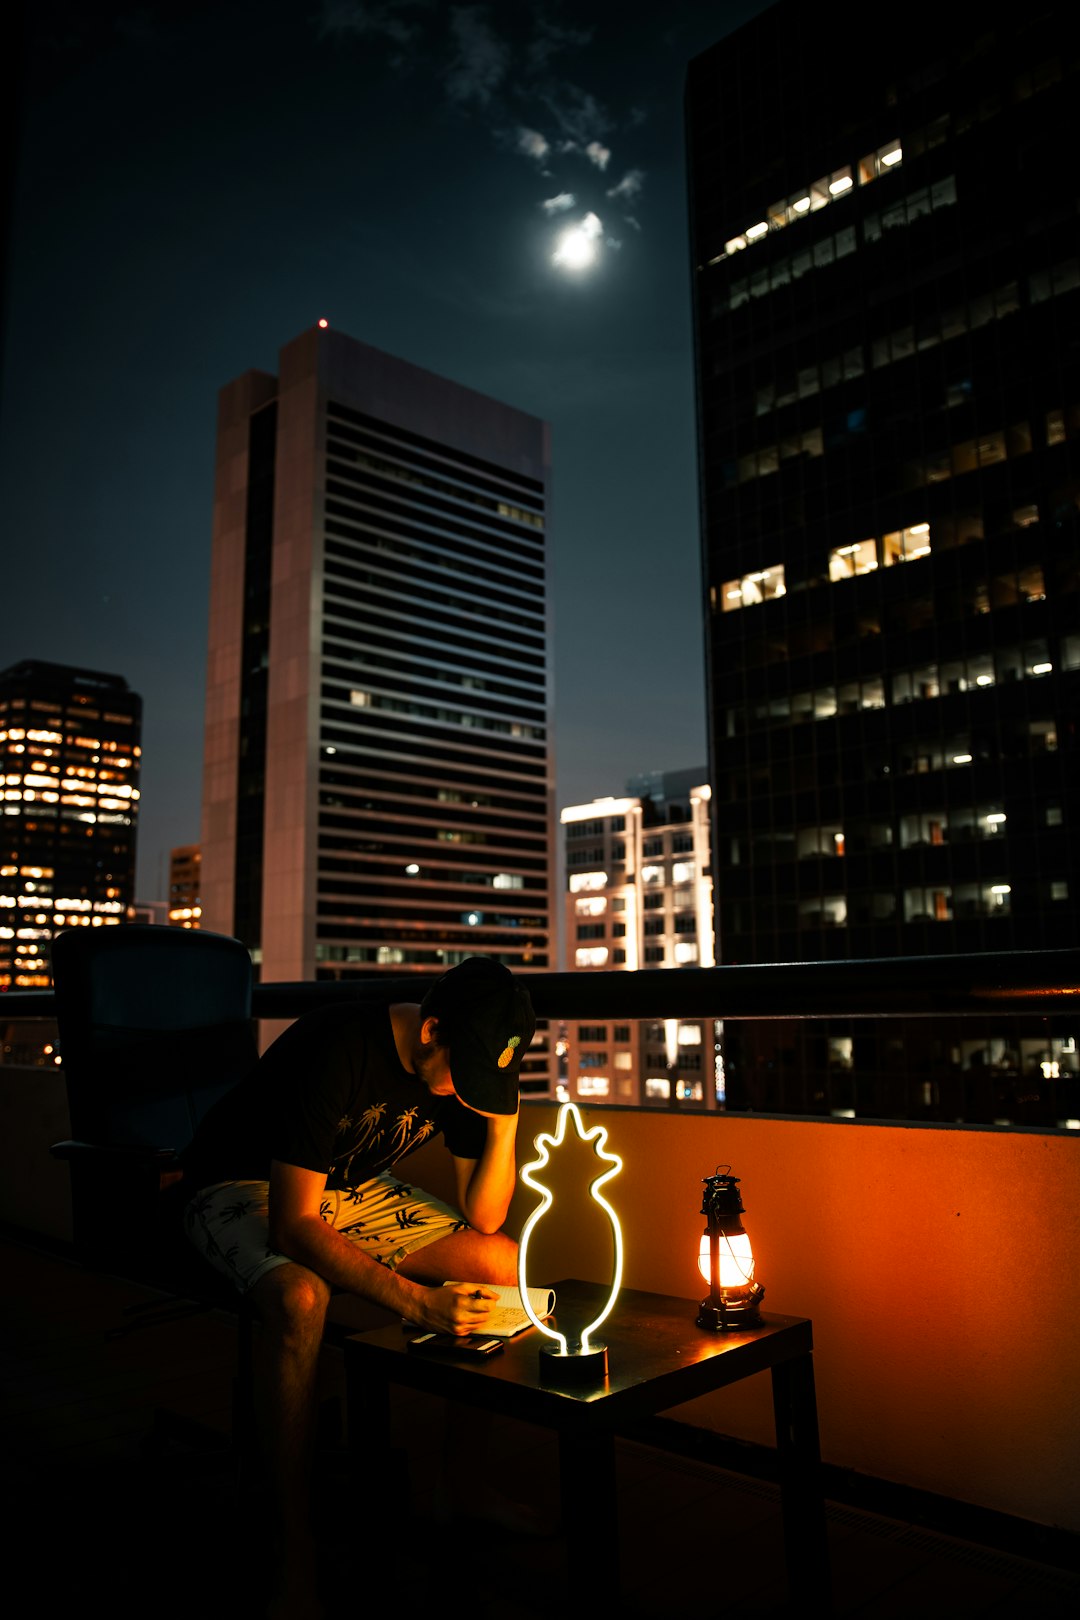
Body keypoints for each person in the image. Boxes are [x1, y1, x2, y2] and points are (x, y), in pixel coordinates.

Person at [180, 954, 537, 1618]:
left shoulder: (469, 1074)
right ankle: (294, 1546)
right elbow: (293, 1226)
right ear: (430, 1031)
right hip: (241, 1183)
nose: (467, 1092)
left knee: (498, 1262)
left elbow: (485, 1216)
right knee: (300, 1300)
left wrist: (504, 1112)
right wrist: (419, 1303)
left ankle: (460, 1485)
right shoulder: (338, 1045)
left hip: (352, 1190)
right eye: (468, 1075)